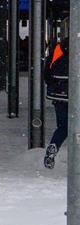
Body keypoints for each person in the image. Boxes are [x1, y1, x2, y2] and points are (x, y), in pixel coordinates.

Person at [44, 35, 69, 169]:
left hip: (59, 94)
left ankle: (54, 145)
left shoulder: (58, 48)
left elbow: (47, 72)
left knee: (63, 126)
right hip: (76, 93)